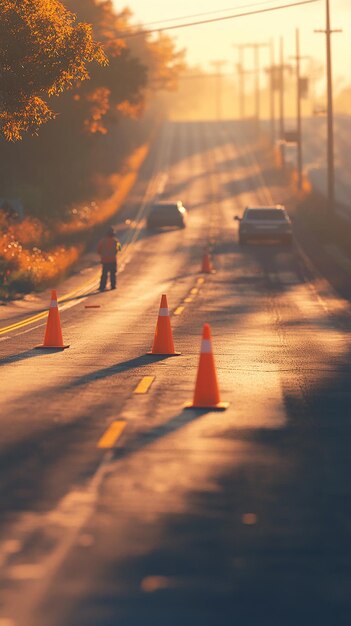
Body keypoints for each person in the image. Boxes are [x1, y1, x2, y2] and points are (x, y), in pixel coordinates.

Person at [97, 226, 122, 291]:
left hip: (105, 260)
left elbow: (98, 250)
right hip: (113, 260)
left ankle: (102, 286)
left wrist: (103, 254)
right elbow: (120, 249)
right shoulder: (116, 241)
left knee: (104, 274)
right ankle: (113, 286)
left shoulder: (102, 241)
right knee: (113, 274)